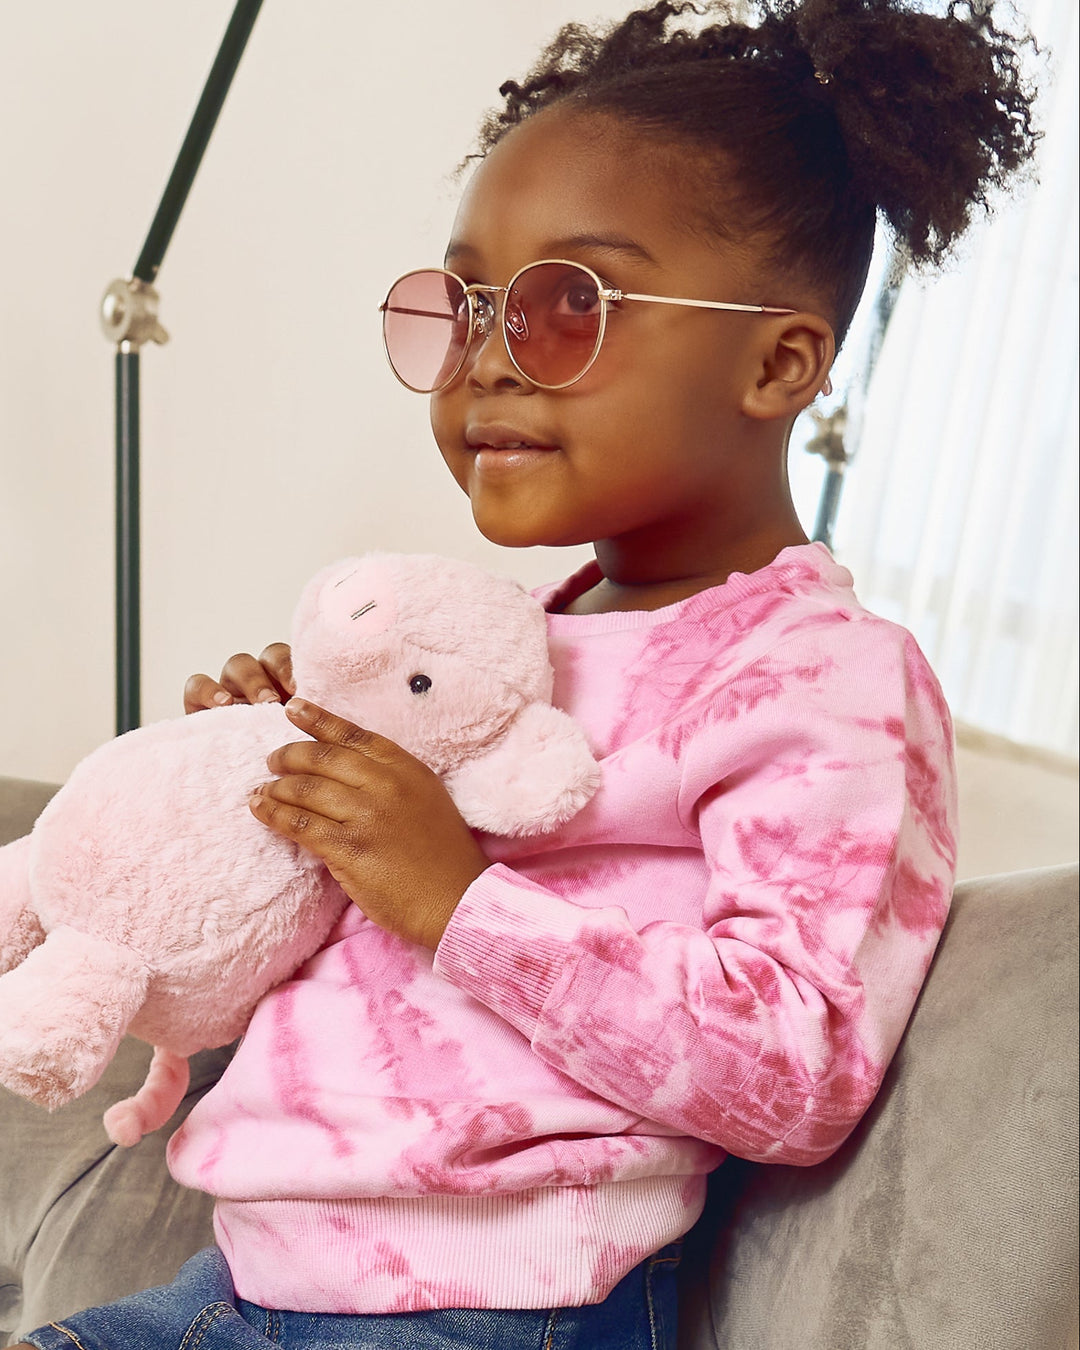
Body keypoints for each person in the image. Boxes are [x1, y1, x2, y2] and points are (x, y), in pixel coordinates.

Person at [9, 0, 1038, 1345]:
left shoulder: (823, 682)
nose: (488, 355)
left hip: (498, 1311)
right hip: (242, 1284)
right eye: (464, 303)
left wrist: (457, 895)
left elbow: (797, 1065)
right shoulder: (483, 647)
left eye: (569, 304)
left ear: (778, 360)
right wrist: (280, 807)